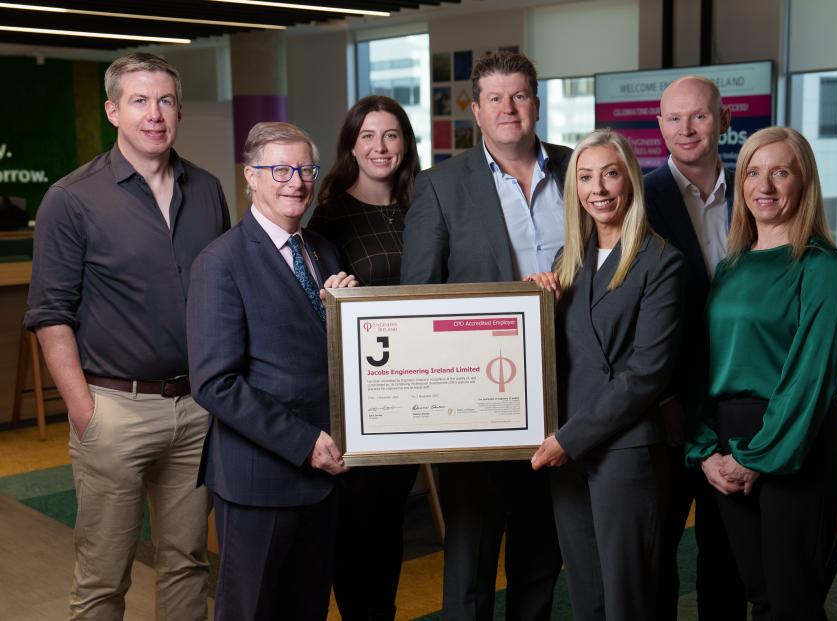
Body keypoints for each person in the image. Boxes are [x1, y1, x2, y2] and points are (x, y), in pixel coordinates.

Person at [25, 52, 229, 620]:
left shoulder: (208, 190)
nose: (154, 114)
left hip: (196, 409)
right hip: (114, 408)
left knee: (188, 562)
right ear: (113, 110)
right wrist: (84, 410)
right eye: (139, 101)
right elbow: (50, 314)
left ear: (179, 111)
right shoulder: (72, 199)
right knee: (103, 576)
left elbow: (223, 293)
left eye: (164, 100)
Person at [401, 51, 568, 620]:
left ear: (537, 105)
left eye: (519, 96)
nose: (508, 108)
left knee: (540, 559)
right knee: (470, 566)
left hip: (565, 399)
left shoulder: (580, 171)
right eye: (495, 98)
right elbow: (418, 302)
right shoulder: (441, 186)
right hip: (477, 408)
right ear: (476, 110)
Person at [187, 122, 357, 620]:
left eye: (305, 169)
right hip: (261, 477)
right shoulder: (220, 262)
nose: (296, 181)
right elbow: (215, 382)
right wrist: (303, 442)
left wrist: (349, 311)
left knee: (306, 609)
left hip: (325, 475)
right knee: (251, 609)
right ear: (251, 178)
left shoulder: (323, 251)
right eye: (279, 169)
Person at [685, 126, 837, 620]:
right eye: (754, 172)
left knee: (791, 603)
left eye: (781, 172)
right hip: (730, 443)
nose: (765, 186)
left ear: (804, 183)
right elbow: (708, 362)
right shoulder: (734, 264)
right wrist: (706, 451)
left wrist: (758, 457)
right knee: (759, 594)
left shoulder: (820, 266)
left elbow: (811, 376)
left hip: (793, 444)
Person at [527, 129, 685, 620]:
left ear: (631, 181)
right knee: (586, 596)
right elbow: (556, 356)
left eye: (610, 174)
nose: (598, 188)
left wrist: (569, 439)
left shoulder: (662, 262)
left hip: (622, 450)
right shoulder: (565, 262)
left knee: (628, 599)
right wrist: (536, 309)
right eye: (586, 176)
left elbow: (647, 375)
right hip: (568, 454)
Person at [309, 95, 421, 621]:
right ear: (351, 145)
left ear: (406, 142)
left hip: (421, 390)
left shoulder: (425, 202)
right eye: (368, 136)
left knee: (389, 522)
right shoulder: (329, 216)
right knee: (359, 526)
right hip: (363, 398)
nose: (380, 147)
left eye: (391, 135)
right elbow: (319, 307)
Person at [644, 74, 746, 620]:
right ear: (659, 126)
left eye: (700, 116)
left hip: (735, 409)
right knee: (657, 558)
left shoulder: (754, 198)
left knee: (726, 555)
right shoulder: (639, 198)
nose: (686, 129)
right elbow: (629, 315)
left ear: (723, 121)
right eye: (674, 118)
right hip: (669, 413)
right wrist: (661, 400)